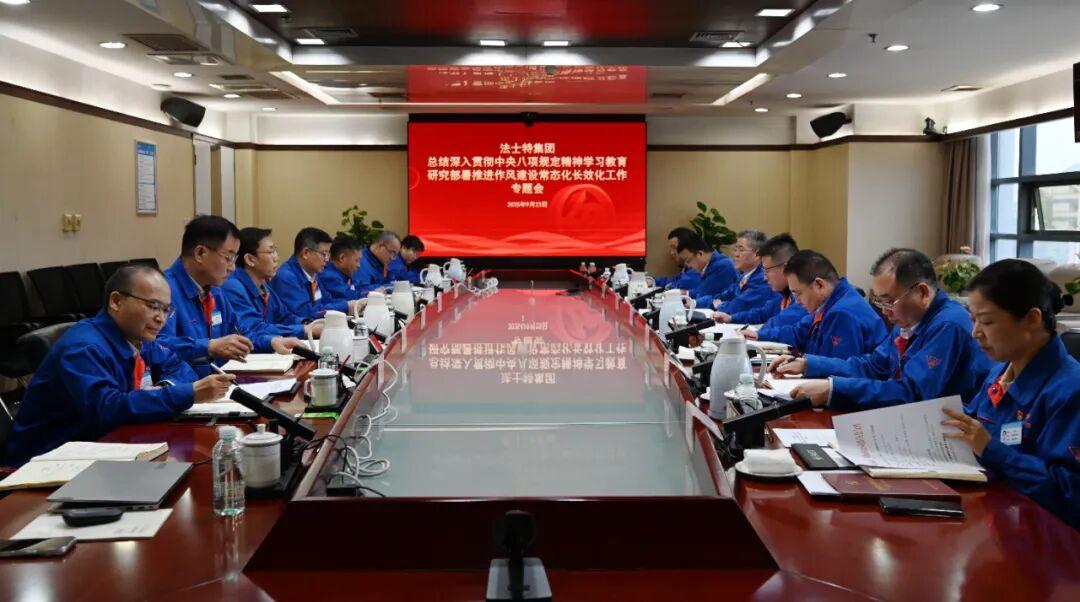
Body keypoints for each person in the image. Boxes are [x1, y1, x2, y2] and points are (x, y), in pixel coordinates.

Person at [4, 266, 234, 466]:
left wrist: (163, 388)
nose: (161, 318)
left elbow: (180, 369)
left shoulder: (138, 336)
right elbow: (108, 409)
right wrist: (187, 393)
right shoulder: (83, 348)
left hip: (105, 447)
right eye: (153, 306)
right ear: (116, 301)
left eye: (166, 310)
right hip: (45, 462)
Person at [941, 259, 1079, 530]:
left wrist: (992, 451)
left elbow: (1069, 493)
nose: (975, 333)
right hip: (992, 516)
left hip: (1041, 535)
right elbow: (975, 422)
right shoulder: (1000, 371)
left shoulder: (1070, 390)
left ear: (1032, 319)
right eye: (973, 320)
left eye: (986, 321)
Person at [774, 248, 992, 410]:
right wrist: (810, 364)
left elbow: (912, 393)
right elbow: (874, 365)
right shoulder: (907, 318)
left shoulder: (948, 325)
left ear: (923, 293)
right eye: (879, 302)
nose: (885, 311)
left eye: (889, 301)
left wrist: (833, 390)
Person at [159, 215, 305, 377]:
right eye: (228, 258)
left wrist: (272, 341)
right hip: (188, 388)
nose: (233, 268)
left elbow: (240, 332)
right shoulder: (163, 291)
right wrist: (208, 347)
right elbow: (156, 346)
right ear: (200, 253)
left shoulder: (215, 290)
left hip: (221, 382)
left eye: (234, 259)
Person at [753, 250, 887, 359]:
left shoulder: (843, 314)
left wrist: (804, 365)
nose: (797, 301)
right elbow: (799, 332)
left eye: (798, 293)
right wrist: (759, 336)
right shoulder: (829, 303)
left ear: (819, 285)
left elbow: (837, 370)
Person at [222, 227, 323, 342]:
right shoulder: (233, 287)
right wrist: (305, 330)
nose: (277, 258)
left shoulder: (264, 285)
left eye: (275, 251)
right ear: (250, 259)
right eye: (270, 252)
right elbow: (254, 328)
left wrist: (309, 324)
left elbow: (284, 317)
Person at [715, 233, 807, 332]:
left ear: (785, 268)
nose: (765, 277)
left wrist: (758, 330)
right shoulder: (784, 293)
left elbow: (780, 323)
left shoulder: (804, 295)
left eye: (767, 270)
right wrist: (731, 318)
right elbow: (763, 313)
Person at [270, 227, 363, 320]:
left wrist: (350, 304)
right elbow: (305, 313)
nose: (327, 259)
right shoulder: (286, 277)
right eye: (324, 254)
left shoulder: (313, 274)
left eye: (328, 254)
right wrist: (345, 306)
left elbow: (326, 301)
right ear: (306, 253)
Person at [702, 230, 778, 313]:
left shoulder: (762, 279)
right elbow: (722, 296)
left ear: (757, 255)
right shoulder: (744, 276)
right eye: (735, 250)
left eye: (741, 250)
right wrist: (695, 302)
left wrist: (718, 305)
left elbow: (737, 307)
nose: (736, 255)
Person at [677, 234, 738, 309]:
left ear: (700, 254)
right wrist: (686, 293)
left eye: (688, 261)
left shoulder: (724, 266)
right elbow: (702, 289)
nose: (688, 266)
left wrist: (693, 302)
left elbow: (704, 295)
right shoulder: (709, 265)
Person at [317, 235, 364, 302]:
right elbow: (350, 296)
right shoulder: (329, 276)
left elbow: (359, 286)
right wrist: (373, 293)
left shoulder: (345, 272)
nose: (359, 265)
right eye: (356, 260)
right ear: (342, 258)